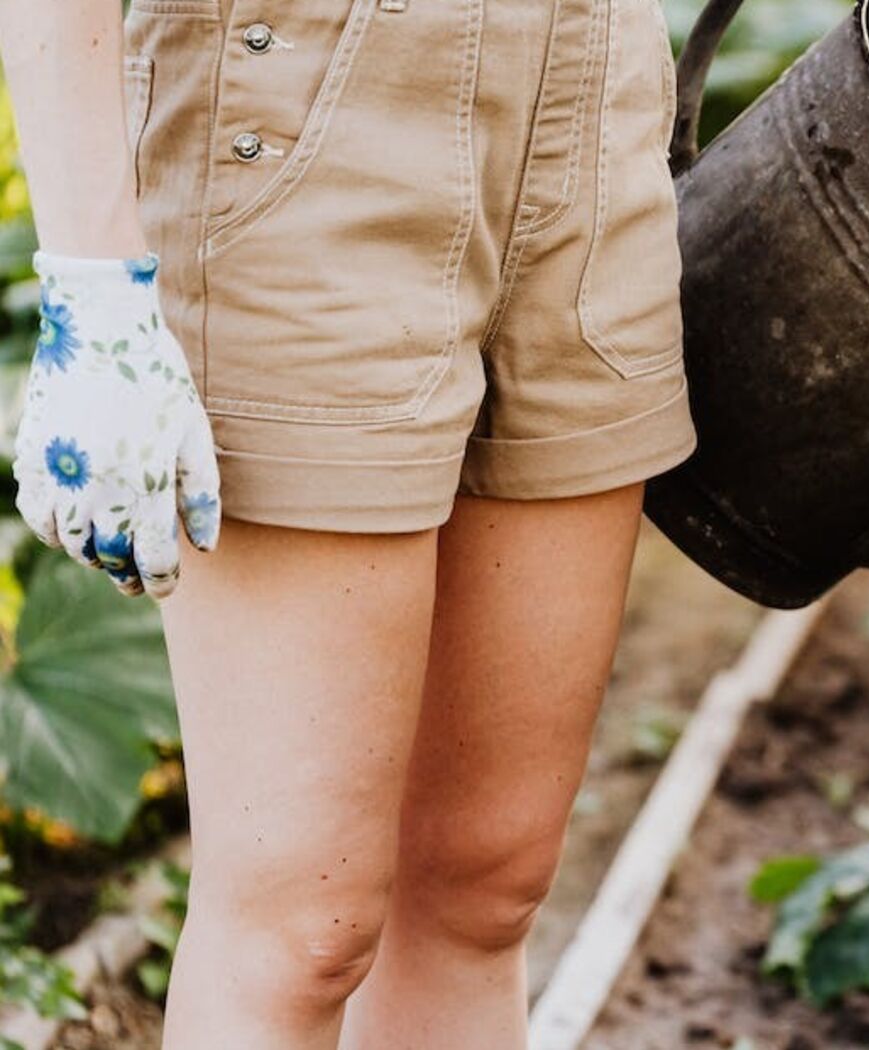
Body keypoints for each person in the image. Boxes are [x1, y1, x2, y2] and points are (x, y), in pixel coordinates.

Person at [0, 0, 694, 1045]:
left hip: (594, 88)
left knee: (485, 882)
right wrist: (93, 285)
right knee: (302, 929)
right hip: (302, 107)